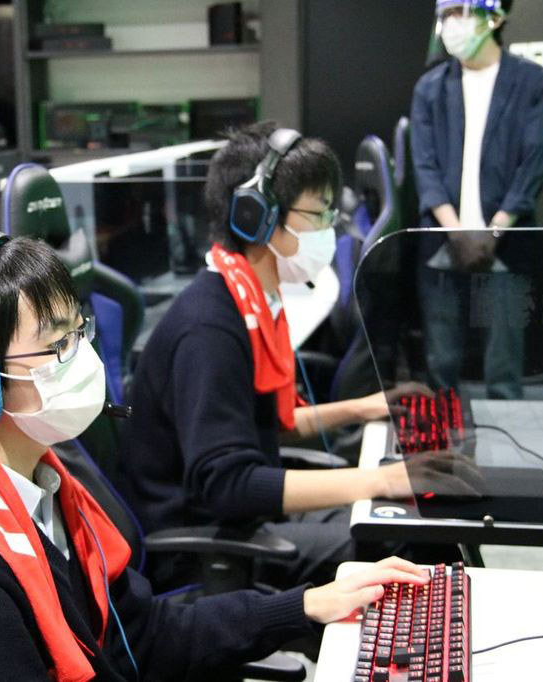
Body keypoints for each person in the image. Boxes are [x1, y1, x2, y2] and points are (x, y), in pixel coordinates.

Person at [0, 228, 431, 681]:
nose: (82, 357)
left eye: (79, 332)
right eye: (56, 344)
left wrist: (306, 605)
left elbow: (142, 637)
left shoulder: (46, 492)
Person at [118, 122, 443, 591]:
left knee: (410, 519)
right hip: (208, 546)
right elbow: (227, 485)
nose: (330, 227)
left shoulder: (250, 302)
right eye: (318, 212)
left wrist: (364, 407)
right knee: (407, 542)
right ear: (256, 215)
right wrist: (383, 480)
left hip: (246, 518)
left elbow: (269, 422)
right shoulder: (209, 330)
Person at [411, 0, 543, 399]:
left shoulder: (532, 82)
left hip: (506, 243)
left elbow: (532, 166)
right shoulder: (430, 88)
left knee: (504, 363)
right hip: (443, 241)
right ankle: (443, 434)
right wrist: (456, 232)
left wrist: (494, 231)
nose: (451, 23)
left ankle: (506, 435)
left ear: (495, 17)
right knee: (440, 361)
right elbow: (425, 166)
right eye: (446, 15)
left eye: (460, 12)